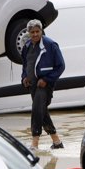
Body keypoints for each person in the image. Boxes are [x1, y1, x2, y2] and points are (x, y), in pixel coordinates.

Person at [21, 19, 66, 151]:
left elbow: (61, 66)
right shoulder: (27, 46)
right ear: (28, 33)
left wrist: (47, 79)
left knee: (36, 109)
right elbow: (25, 65)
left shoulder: (50, 45)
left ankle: (35, 142)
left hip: (45, 85)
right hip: (33, 86)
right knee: (42, 111)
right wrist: (24, 78)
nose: (35, 34)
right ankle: (57, 142)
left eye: (37, 31)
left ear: (41, 31)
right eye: (32, 32)